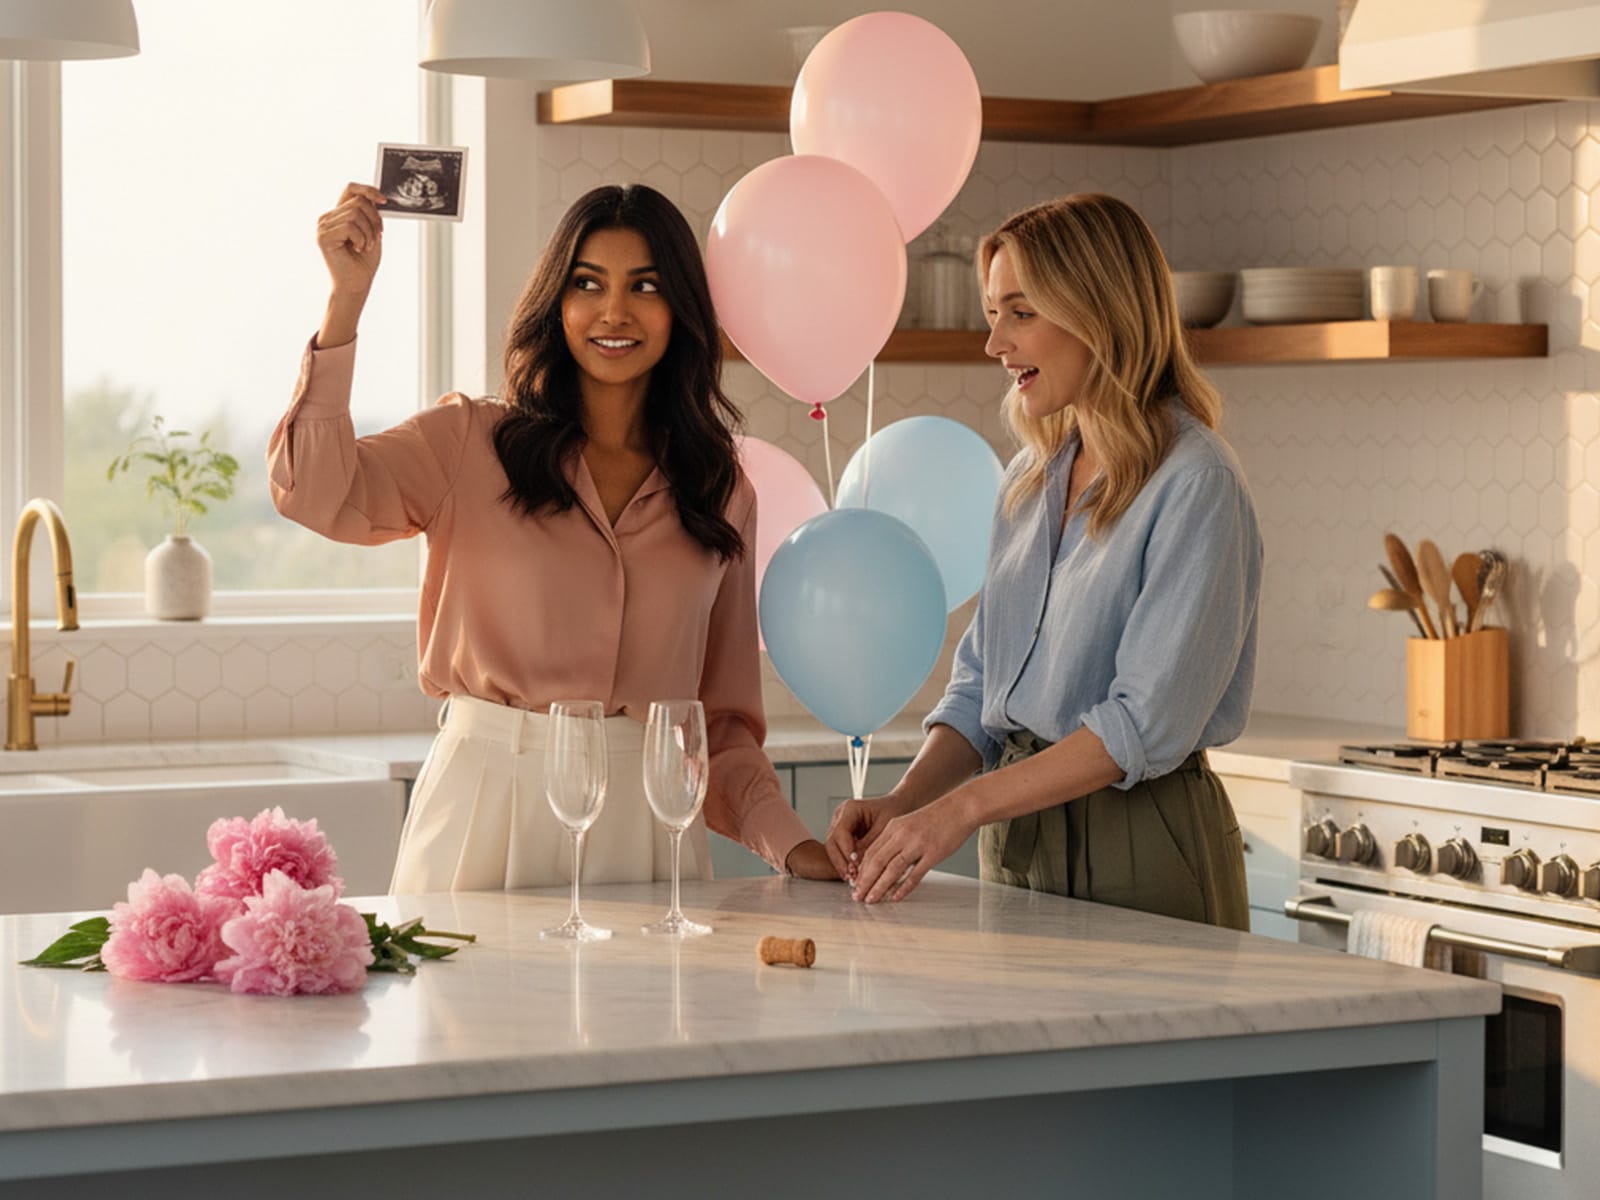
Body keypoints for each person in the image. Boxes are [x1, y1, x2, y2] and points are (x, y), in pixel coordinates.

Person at [269, 181, 837, 890]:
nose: (614, 311)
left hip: (647, 832)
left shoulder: (718, 490)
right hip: (484, 809)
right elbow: (314, 492)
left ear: (681, 309)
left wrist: (795, 847)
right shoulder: (466, 442)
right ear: (556, 301)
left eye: (646, 286)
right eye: (587, 283)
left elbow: (719, 732)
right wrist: (345, 302)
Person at [825, 193, 1261, 929]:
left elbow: (1141, 724)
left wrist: (961, 809)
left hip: (1142, 836)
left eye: (1021, 313)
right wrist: (904, 802)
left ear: (1103, 313)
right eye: (992, 314)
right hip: (1017, 833)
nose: (995, 344)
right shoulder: (1030, 482)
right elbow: (981, 686)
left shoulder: (1196, 483)